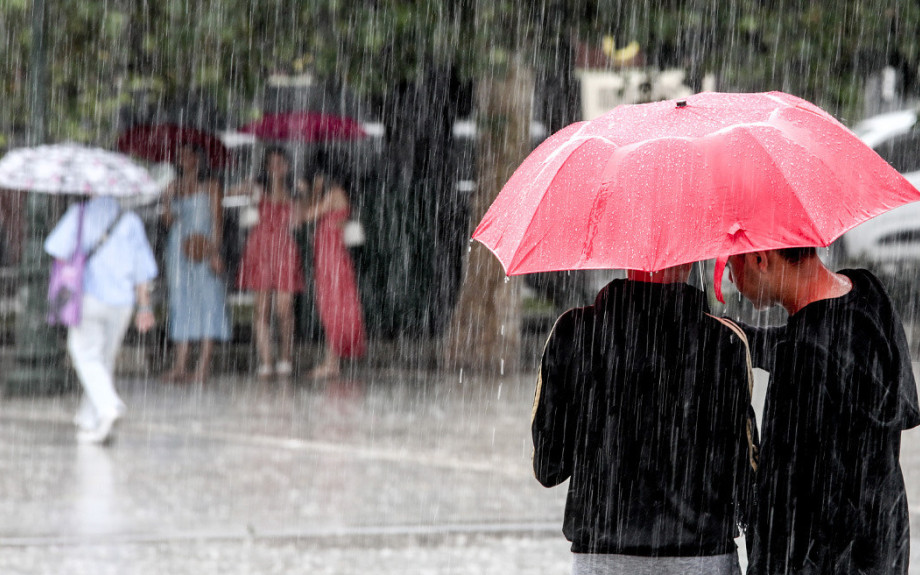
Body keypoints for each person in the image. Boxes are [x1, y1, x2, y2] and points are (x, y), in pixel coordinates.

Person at [532, 263, 755, 575]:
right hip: (703, 556)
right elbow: (747, 479)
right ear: (691, 259)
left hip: (602, 557)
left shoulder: (574, 332)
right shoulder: (725, 342)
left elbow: (548, 467)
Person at [726, 248, 920, 574]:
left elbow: (783, 511)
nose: (730, 278)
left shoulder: (801, 356)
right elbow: (827, 344)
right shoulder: (867, 295)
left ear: (761, 258)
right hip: (885, 548)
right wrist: (743, 338)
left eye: (731, 264)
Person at [45, 195, 157, 445]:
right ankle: (90, 419)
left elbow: (56, 250)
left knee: (84, 353)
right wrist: (145, 307)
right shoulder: (130, 220)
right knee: (104, 359)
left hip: (89, 297)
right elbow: (143, 271)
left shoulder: (80, 214)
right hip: (123, 303)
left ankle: (108, 406)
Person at [160, 144, 231, 383]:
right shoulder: (174, 187)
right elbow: (168, 221)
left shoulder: (211, 187)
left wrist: (215, 252)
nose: (183, 159)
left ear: (198, 159)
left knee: (209, 300)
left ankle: (202, 366)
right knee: (181, 301)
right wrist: (167, 200)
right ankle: (180, 365)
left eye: (188, 154)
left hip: (204, 247)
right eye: (180, 156)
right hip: (178, 249)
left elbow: (218, 224)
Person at [233, 147, 306, 379]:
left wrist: (304, 195)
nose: (275, 168)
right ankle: (266, 360)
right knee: (262, 309)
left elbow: (299, 222)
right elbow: (229, 192)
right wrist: (246, 188)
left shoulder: (294, 194)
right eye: (271, 163)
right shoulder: (257, 190)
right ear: (266, 166)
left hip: (284, 250)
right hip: (260, 250)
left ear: (286, 167)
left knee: (284, 309)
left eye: (280, 163)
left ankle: (286, 356)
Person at [302, 169, 366, 379]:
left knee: (334, 307)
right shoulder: (335, 195)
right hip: (328, 261)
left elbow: (306, 215)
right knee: (332, 308)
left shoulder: (335, 193)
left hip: (333, 262)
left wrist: (309, 192)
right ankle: (332, 361)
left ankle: (332, 362)